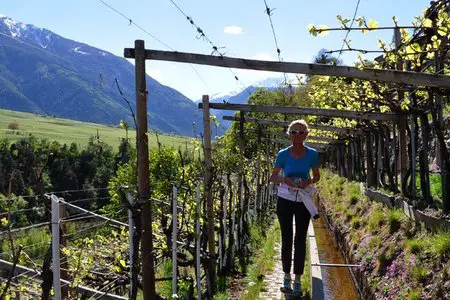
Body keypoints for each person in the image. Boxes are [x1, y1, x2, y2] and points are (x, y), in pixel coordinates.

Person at [269, 119, 321, 295]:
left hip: (303, 199)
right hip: (285, 198)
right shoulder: (282, 154)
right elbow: (273, 176)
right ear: (289, 134)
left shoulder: (312, 154)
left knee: (300, 238)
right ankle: (286, 276)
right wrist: (285, 179)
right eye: (294, 132)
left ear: (306, 135)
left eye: (301, 132)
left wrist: (308, 181)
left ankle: (297, 279)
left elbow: (317, 176)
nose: (297, 135)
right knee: (286, 238)